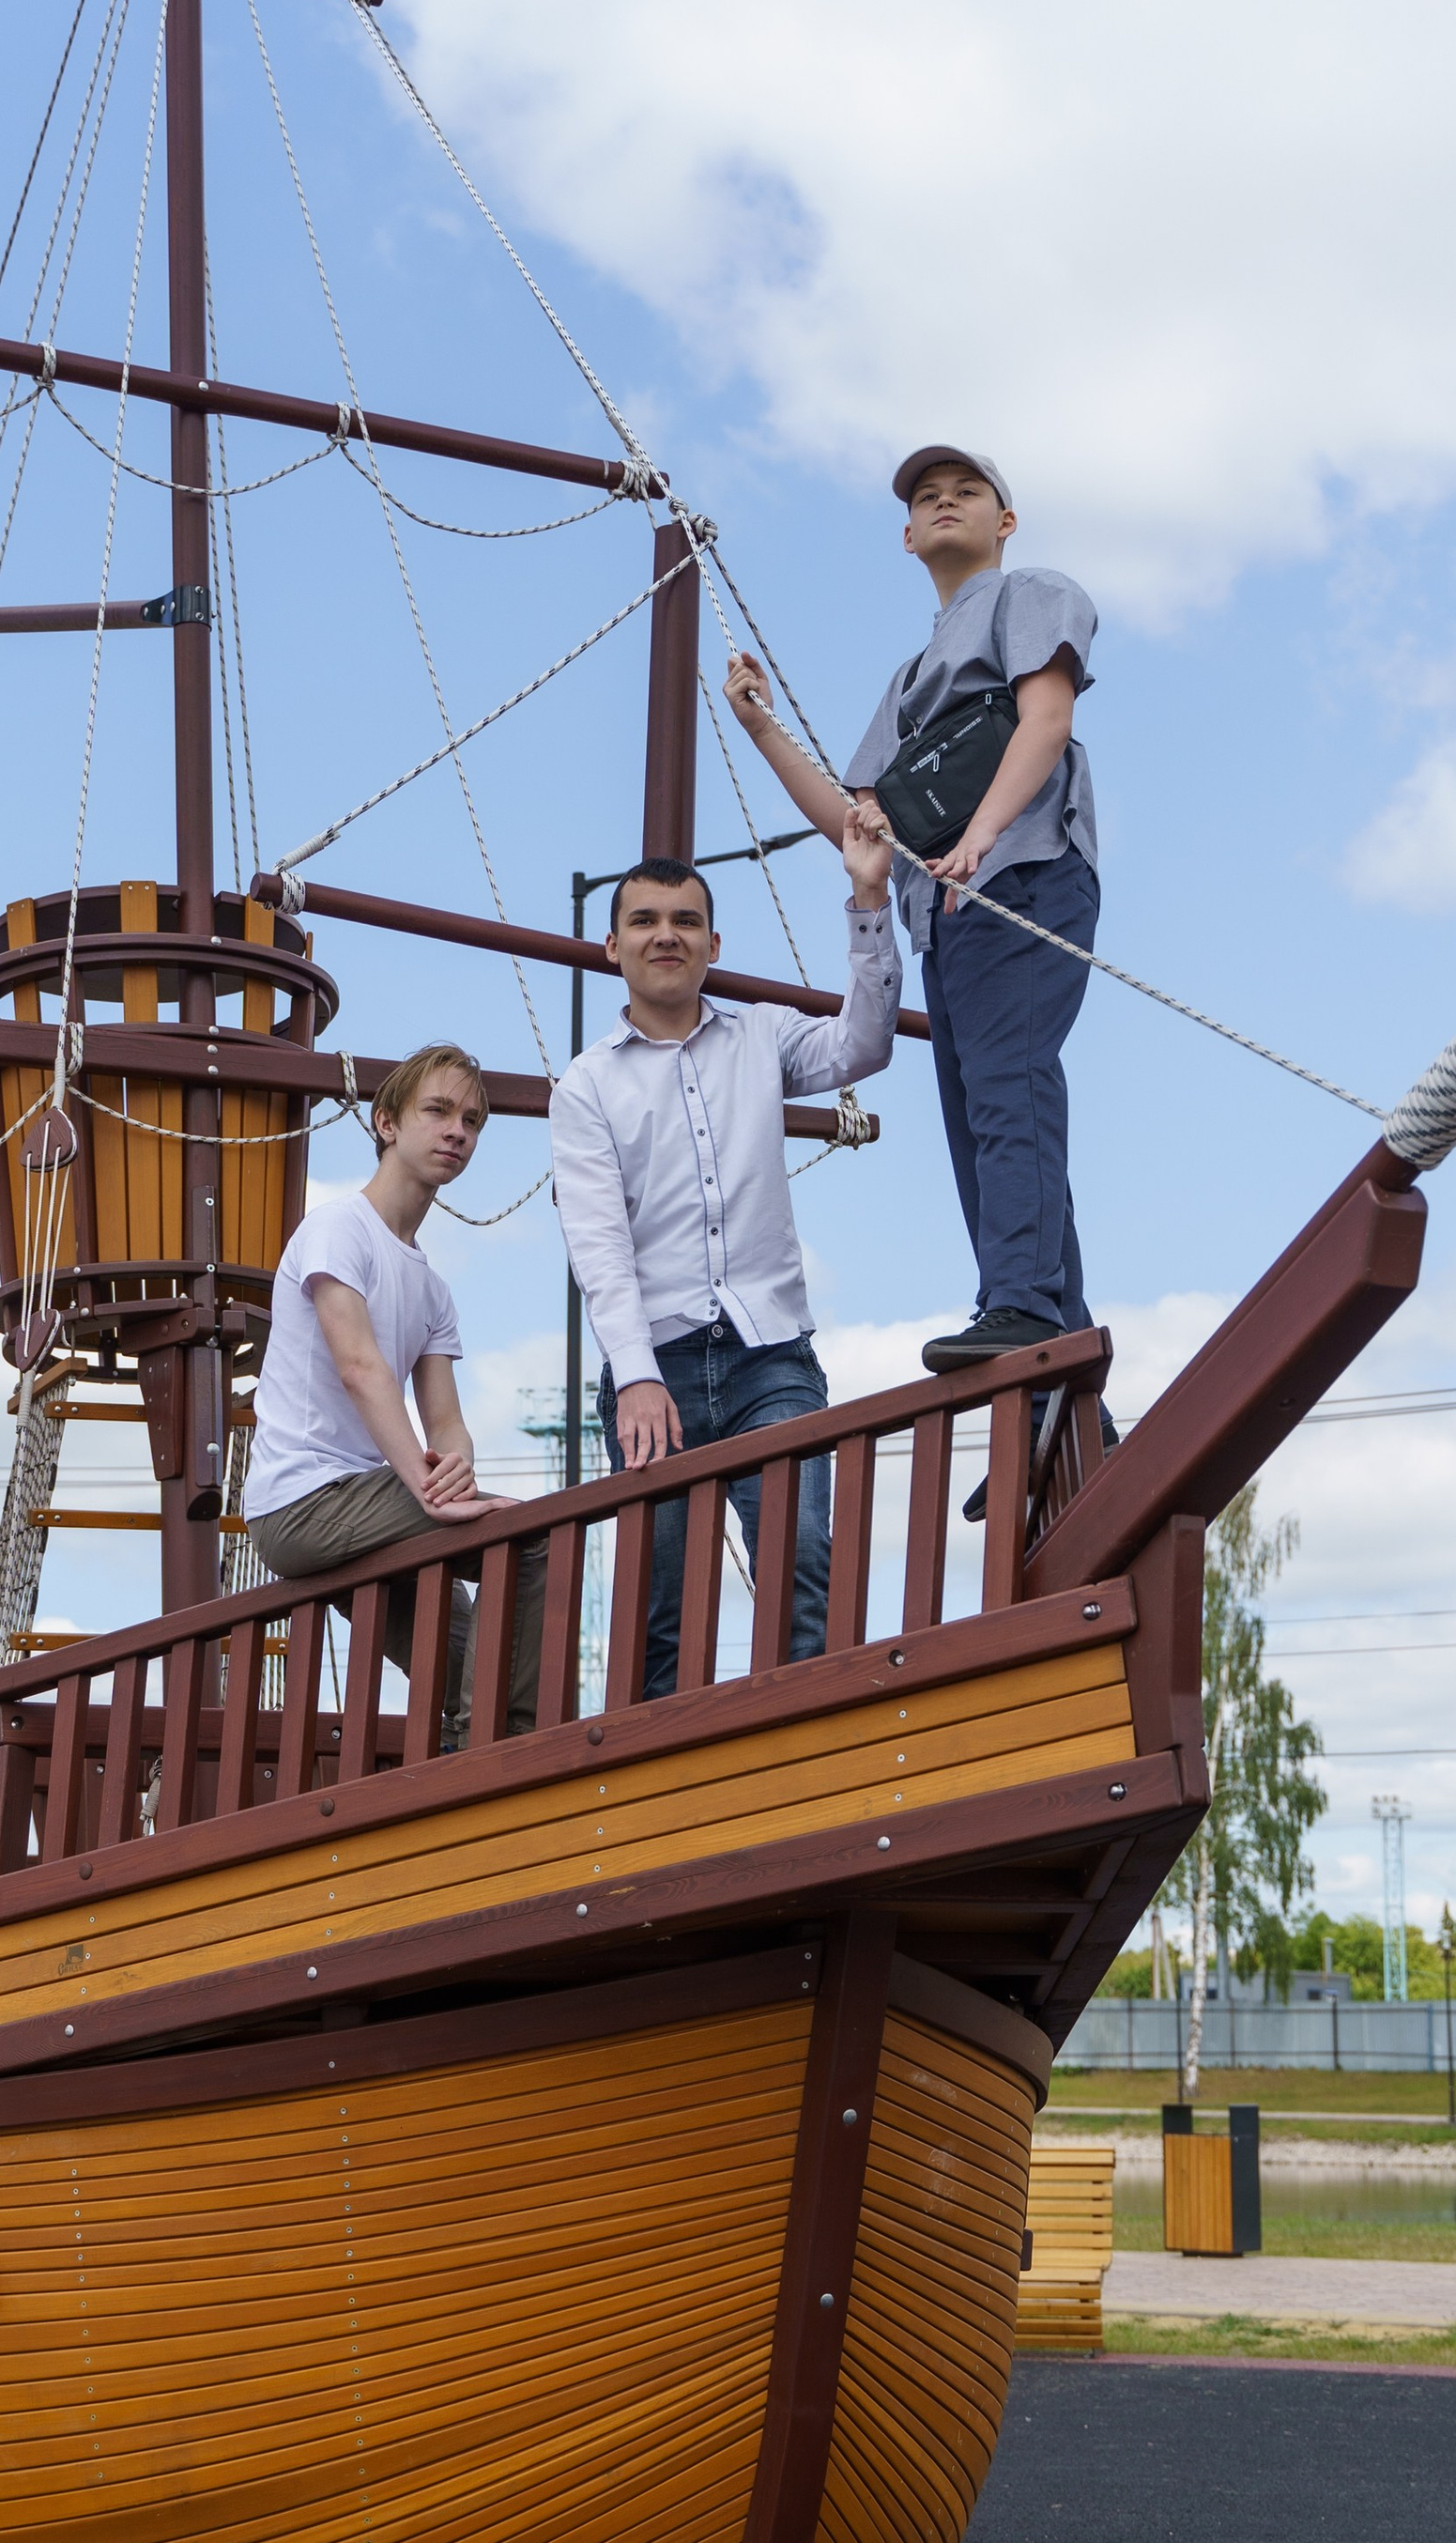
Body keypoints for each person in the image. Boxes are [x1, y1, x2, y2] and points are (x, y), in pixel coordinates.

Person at [722, 442, 1101, 1375]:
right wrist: (761, 728)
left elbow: (1045, 719)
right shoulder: (907, 678)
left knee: (1011, 1091)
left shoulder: (1030, 596)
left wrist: (981, 836)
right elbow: (860, 825)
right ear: (903, 536)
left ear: (1002, 522)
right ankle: (1062, 1385)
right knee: (983, 1115)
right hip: (948, 913)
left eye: (965, 492)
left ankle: (1019, 1307)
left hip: (1018, 877)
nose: (943, 504)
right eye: (925, 497)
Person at [549, 813, 901, 1696]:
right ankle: (663, 1807)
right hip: (653, 1364)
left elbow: (865, 1042)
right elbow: (598, 1245)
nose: (665, 933)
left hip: (768, 1354)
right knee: (659, 1608)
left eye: (684, 920)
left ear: (712, 942)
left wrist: (867, 898)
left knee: (802, 1562)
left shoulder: (762, 1036)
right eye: (644, 920)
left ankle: (796, 1768)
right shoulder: (586, 1087)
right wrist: (633, 1374)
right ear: (611, 947)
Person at [243, 1042, 544, 1739]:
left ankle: (470, 1753)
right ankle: (492, 1759)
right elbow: (360, 1368)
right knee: (530, 1541)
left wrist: (455, 1465)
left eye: (471, 1120)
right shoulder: (336, 1229)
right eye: (437, 1111)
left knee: (476, 1661)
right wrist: (434, 1492)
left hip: (372, 1506)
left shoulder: (431, 1286)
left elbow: (446, 1419)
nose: (456, 1132)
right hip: (302, 1504)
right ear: (386, 1122)